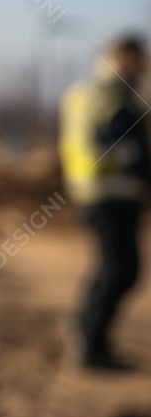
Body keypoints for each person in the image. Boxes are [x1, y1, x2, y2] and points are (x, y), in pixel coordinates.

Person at [60, 34, 151, 370]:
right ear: (124, 59)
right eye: (139, 61)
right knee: (120, 268)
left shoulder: (88, 93)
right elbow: (122, 145)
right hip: (111, 193)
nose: (143, 68)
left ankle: (88, 332)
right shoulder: (115, 98)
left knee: (115, 267)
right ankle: (89, 340)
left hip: (98, 192)